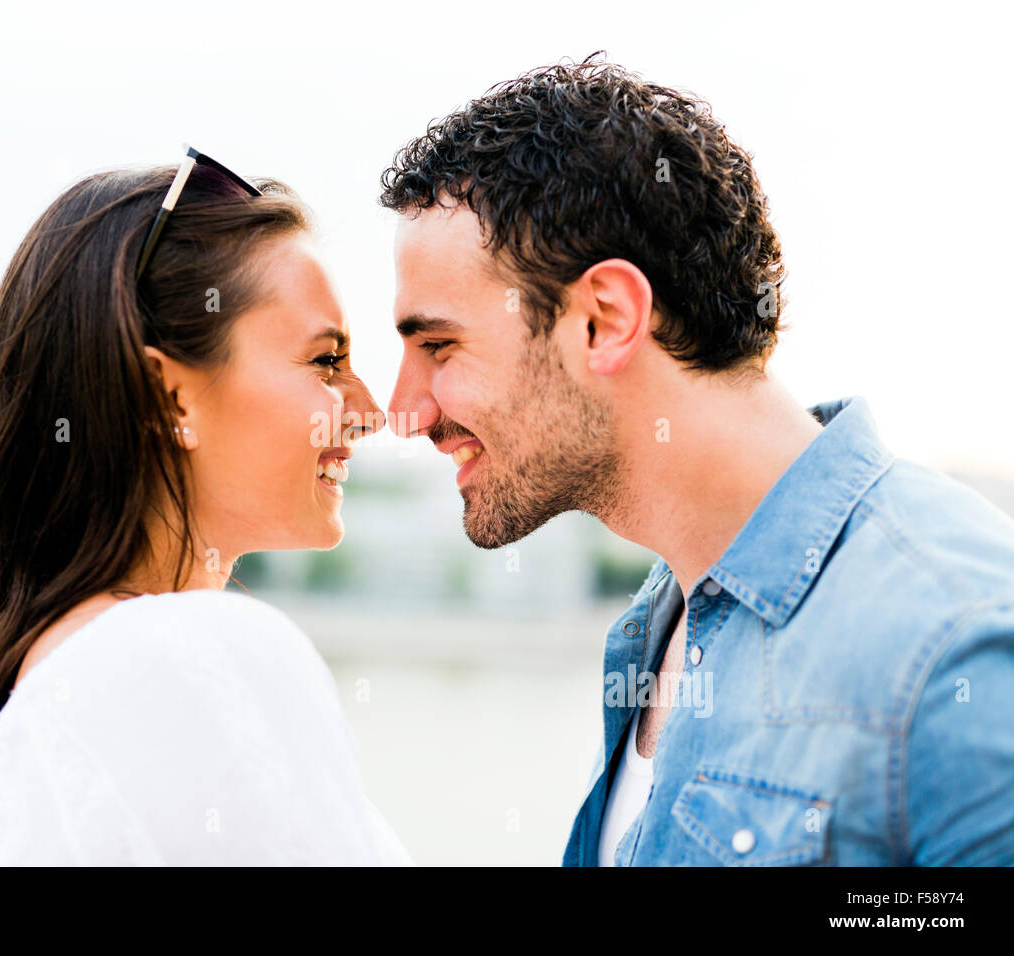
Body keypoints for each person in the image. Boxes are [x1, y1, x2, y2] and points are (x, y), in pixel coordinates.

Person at [377, 53, 1014, 866]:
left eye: (439, 345)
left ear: (604, 321)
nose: (406, 410)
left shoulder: (956, 643)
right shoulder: (656, 630)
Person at [0, 149, 411, 865]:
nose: (372, 412)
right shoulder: (189, 656)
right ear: (168, 396)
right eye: (325, 362)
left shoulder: (62, 686)